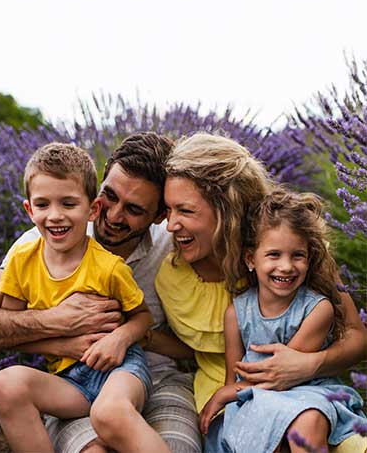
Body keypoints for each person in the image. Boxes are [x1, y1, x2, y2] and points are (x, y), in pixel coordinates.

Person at [0, 132, 201, 453]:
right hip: (71, 381)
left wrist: (125, 335)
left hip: (150, 377)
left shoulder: (176, 246)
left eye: (134, 209)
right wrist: (55, 324)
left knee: (174, 445)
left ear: (159, 215)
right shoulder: (41, 242)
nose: (113, 216)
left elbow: (214, 334)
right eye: (110, 197)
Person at [154, 132, 367, 453]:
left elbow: (356, 336)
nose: (171, 225)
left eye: (185, 210)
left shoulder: (293, 246)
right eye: (169, 210)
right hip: (233, 393)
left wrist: (309, 364)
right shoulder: (172, 275)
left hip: (312, 390)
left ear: (226, 208)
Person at [199, 188, 366, 453]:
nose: (286, 266)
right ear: (250, 259)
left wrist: (226, 394)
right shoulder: (237, 313)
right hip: (255, 395)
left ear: (310, 259)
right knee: (259, 425)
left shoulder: (318, 309)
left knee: (307, 421)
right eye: (274, 255)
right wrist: (230, 392)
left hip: (305, 392)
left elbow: (281, 372)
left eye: (297, 255)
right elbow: (235, 375)